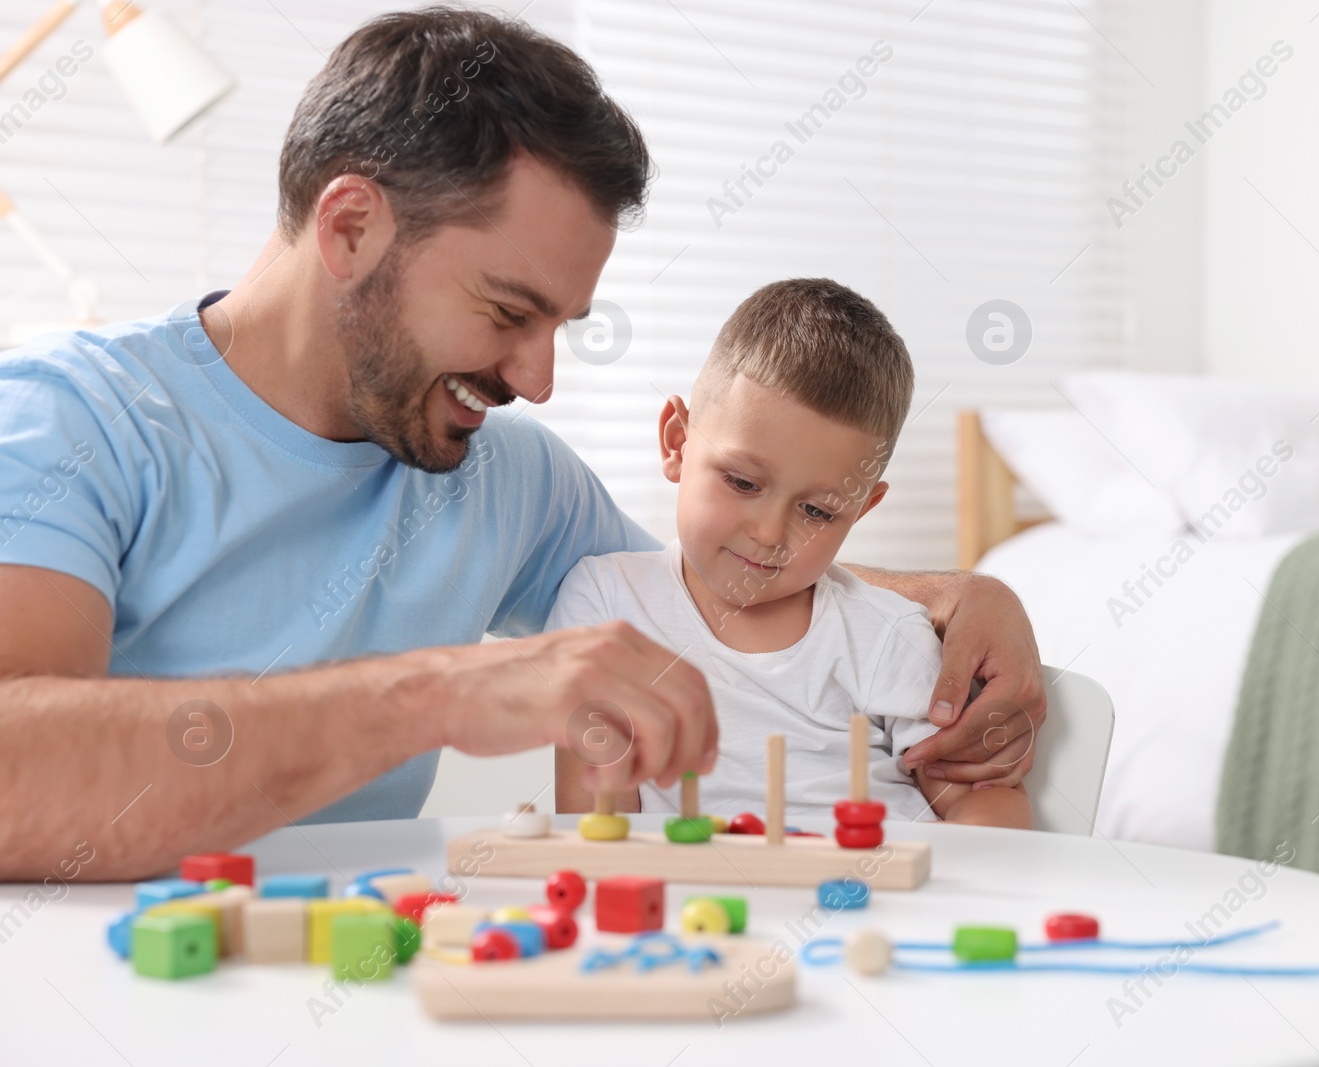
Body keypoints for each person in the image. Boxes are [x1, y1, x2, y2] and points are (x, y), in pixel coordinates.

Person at [0, 7, 1043, 883]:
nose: (538, 380)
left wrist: (955, 598)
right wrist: (439, 691)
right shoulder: (69, 421)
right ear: (352, 227)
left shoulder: (509, 480)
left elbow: (713, 590)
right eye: (508, 311)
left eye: (562, 328)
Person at [551, 280, 1032, 828]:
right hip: (699, 910)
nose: (768, 532)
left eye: (818, 513)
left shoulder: (887, 635)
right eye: (742, 482)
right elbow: (596, 827)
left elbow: (979, 799)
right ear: (677, 442)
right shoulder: (606, 602)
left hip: (878, 900)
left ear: (862, 508)